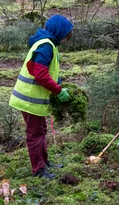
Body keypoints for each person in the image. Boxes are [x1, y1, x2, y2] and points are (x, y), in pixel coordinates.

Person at [9, 14, 73, 179]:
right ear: (59, 32)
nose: (66, 40)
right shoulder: (46, 46)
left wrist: (59, 84)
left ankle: (44, 163)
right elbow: (40, 74)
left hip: (33, 100)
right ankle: (38, 169)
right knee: (35, 133)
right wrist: (58, 91)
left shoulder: (49, 45)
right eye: (66, 36)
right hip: (29, 100)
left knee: (41, 130)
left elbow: (49, 71)